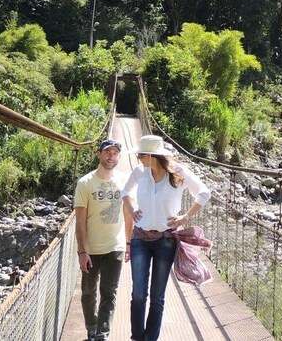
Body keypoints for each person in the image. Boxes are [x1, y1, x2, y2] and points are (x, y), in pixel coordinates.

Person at [122, 134, 211, 341]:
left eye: (141, 155)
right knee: (138, 294)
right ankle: (137, 337)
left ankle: (150, 338)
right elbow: (125, 192)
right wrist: (131, 208)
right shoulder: (139, 173)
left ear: (153, 155)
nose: (138, 159)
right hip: (140, 239)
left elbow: (204, 193)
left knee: (157, 296)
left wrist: (185, 217)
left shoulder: (178, 173)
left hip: (166, 241)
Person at [74, 138, 132, 341]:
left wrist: (128, 242)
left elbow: (128, 214)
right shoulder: (85, 183)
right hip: (90, 248)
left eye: (115, 153)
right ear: (98, 154)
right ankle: (91, 327)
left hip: (114, 246)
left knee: (109, 293)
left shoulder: (125, 180)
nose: (111, 156)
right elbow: (80, 221)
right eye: (107, 152)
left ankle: (102, 334)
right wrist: (82, 251)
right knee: (88, 292)